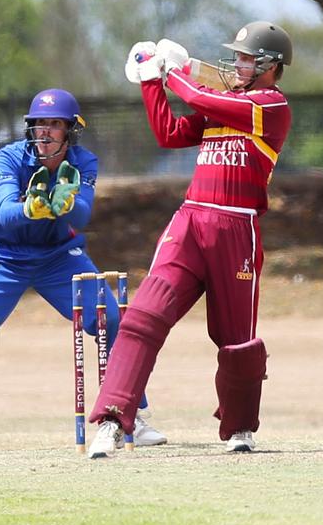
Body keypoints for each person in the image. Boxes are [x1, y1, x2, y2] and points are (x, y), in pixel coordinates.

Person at [0, 88, 166, 456]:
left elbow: (82, 216)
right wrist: (33, 208)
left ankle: (128, 415)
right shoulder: (10, 157)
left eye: (54, 124)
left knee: (111, 319)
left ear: (70, 131)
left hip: (59, 257)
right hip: (3, 257)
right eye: (38, 124)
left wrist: (67, 201)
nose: (45, 131)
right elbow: (4, 213)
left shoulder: (84, 162)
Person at [85, 22, 293, 458]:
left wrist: (172, 73)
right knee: (143, 316)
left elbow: (199, 96)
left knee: (236, 340)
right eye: (236, 56)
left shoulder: (271, 106)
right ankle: (111, 419)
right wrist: (150, 83)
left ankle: (240, 428)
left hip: (237, 229)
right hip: (190, 222)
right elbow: (169, 133)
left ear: (270, 66)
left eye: (246, 58)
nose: (237, 63)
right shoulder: (227, 104)